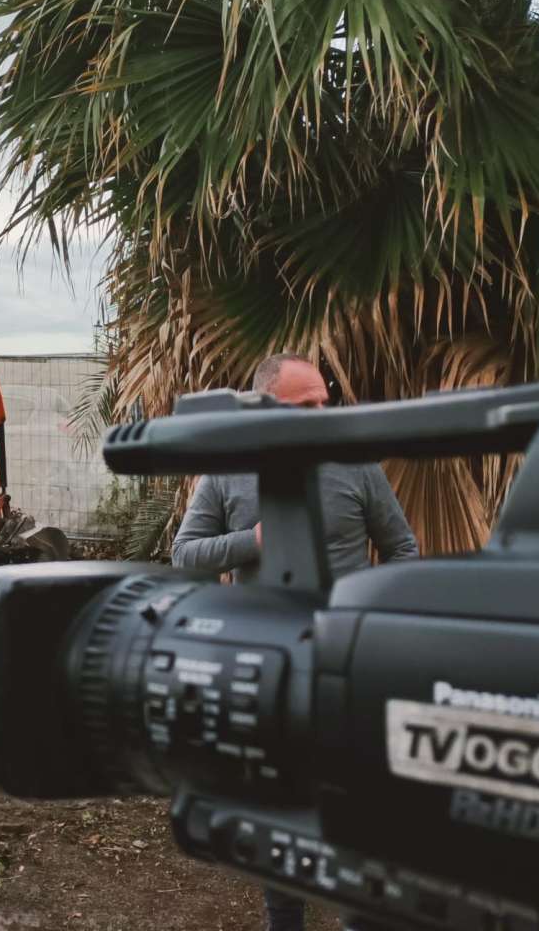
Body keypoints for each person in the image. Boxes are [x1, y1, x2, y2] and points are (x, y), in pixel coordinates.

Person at [170, 352, 418, 931]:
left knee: (361, 814)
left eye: (325, 403)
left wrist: (380, 613)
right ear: (263, 408)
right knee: (280, 815)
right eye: (305, 406)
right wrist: (253, 539)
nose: (321, 414)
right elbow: (185, 554)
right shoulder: (228, 470)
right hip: (269, 669)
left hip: (353, 664)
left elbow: (402, 549)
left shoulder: (356, 462)